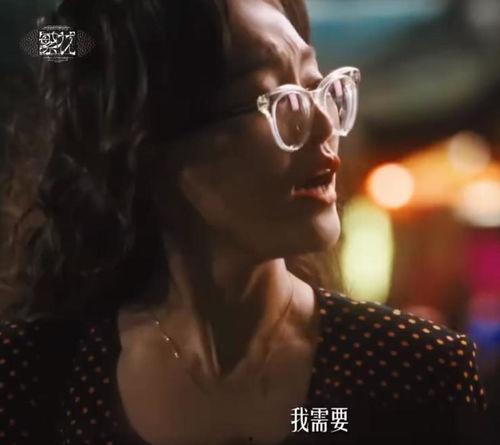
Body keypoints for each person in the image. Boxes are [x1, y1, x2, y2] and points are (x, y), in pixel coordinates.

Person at [0, 0, 489, 444]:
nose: (324, 125)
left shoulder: (417, 371)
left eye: (316, 85)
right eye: (274, 98)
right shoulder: (32, 380)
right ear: (146, 143)